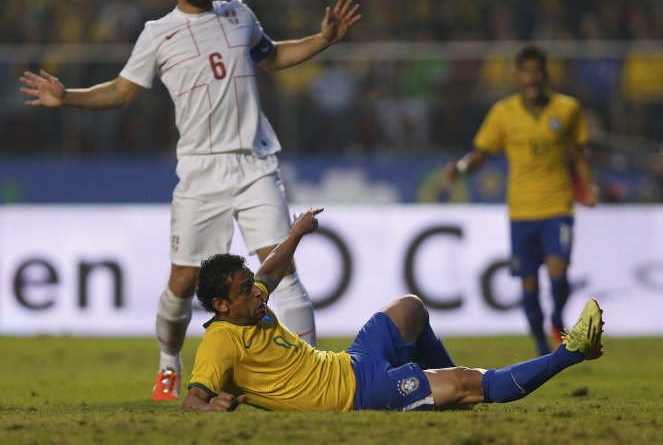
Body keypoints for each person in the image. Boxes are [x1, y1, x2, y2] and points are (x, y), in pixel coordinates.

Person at [18, 0, 362, 401]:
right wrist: (69, 97)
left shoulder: (239, 15)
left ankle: (308, 375)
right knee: (182, 283)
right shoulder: (158, 33)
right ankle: (167, 365)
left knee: (282, 268)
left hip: (255, 163)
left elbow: (274, 56)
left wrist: (323, 39)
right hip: (200, 172)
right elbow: (123, 90)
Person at [181, 208, 604, 412]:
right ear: (221, 305)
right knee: (468, 383)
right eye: (245, 290)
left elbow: (269, 272)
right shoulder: (220, 343)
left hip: (350, 361)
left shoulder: (248, 303)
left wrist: (296, 233)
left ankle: (448, 402)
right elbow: (191, 402)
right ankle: (571, 352)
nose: (257, 293)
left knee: (410, 309)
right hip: (357, 395)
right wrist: (210, 407)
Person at [445, 45, 599, 356]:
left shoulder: (568, 109)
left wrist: (589, 186)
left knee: (558, 276)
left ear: (546, 73)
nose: (532, 77)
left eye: (537, 71)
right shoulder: (503, 113)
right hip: (522, 211)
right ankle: (542, 347)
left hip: (558, 206)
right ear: (518, 75)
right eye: (526, 71)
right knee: (529, 285)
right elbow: (482, 153)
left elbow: (579, 152)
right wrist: (461, 168)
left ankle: (556, 318)